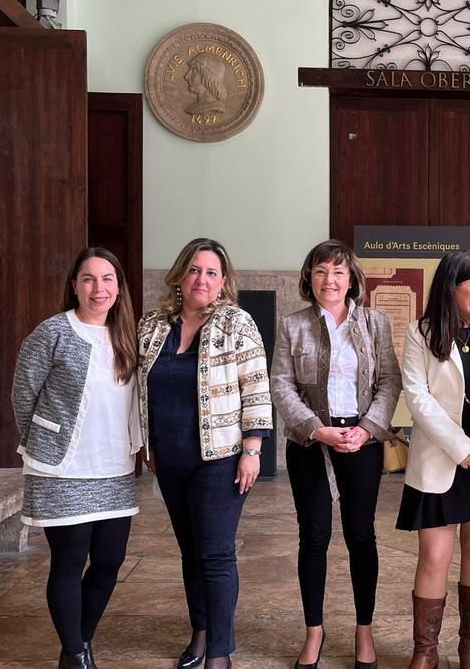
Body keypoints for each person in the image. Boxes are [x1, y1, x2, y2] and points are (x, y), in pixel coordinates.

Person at [137, 238, 272, 669]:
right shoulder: (153, 324)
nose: (202, 279)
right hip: (169, 457)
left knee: (215, 553)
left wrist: (252, 449)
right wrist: (146, 442)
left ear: (224, 281)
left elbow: (256, 388)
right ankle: (200, 631)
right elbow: (136, 388)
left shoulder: (238, 323)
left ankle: (220, 651)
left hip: (222, 456)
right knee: (190, 550)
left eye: (212, 272)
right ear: (180, 275)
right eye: (195, 270)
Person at [270, 240, 402, 669]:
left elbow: (389, 381)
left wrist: (366, 430)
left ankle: (364, 630)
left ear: (352, 279)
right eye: (322, 270)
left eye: (339, 271)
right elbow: (281, 385)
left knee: (361, 536)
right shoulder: (293, 325)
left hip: (360, 443)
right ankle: (314, 632)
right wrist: (317, 429)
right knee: (314, 538)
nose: (330, 279)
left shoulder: (374, 322)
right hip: (310, 444)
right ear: (310, 277)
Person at [11, 247, 142, 669]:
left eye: (107, 279)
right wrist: (42, 443)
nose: (98, 288)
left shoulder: (128, 337)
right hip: (62, 469)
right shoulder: (52, 333)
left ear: (118, 288)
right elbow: (23, 395)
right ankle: (75, 653)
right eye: (88, 279)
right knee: (69, 562)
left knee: (110, 561)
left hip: (114, 468)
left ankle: (78, 644)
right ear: (74, 286)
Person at [395, 250, 470, 669]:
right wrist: (463, 450)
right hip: (442, 459)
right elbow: (418, 399)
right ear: (453, 286)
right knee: (434, 556)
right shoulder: (420, 332)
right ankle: (424, 651)